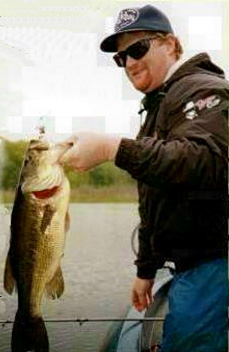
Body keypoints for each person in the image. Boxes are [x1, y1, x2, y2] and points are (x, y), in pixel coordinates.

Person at [61, 5, 229, 352]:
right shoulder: (160, 106)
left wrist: (113, 148)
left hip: (213, 261)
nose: (130, 63)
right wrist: (146, 269)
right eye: (121, 58)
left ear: (170, 44)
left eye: (138, 49)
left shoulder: (203, 89)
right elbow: (155, 196)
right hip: (188, 264)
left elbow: (205, 160)